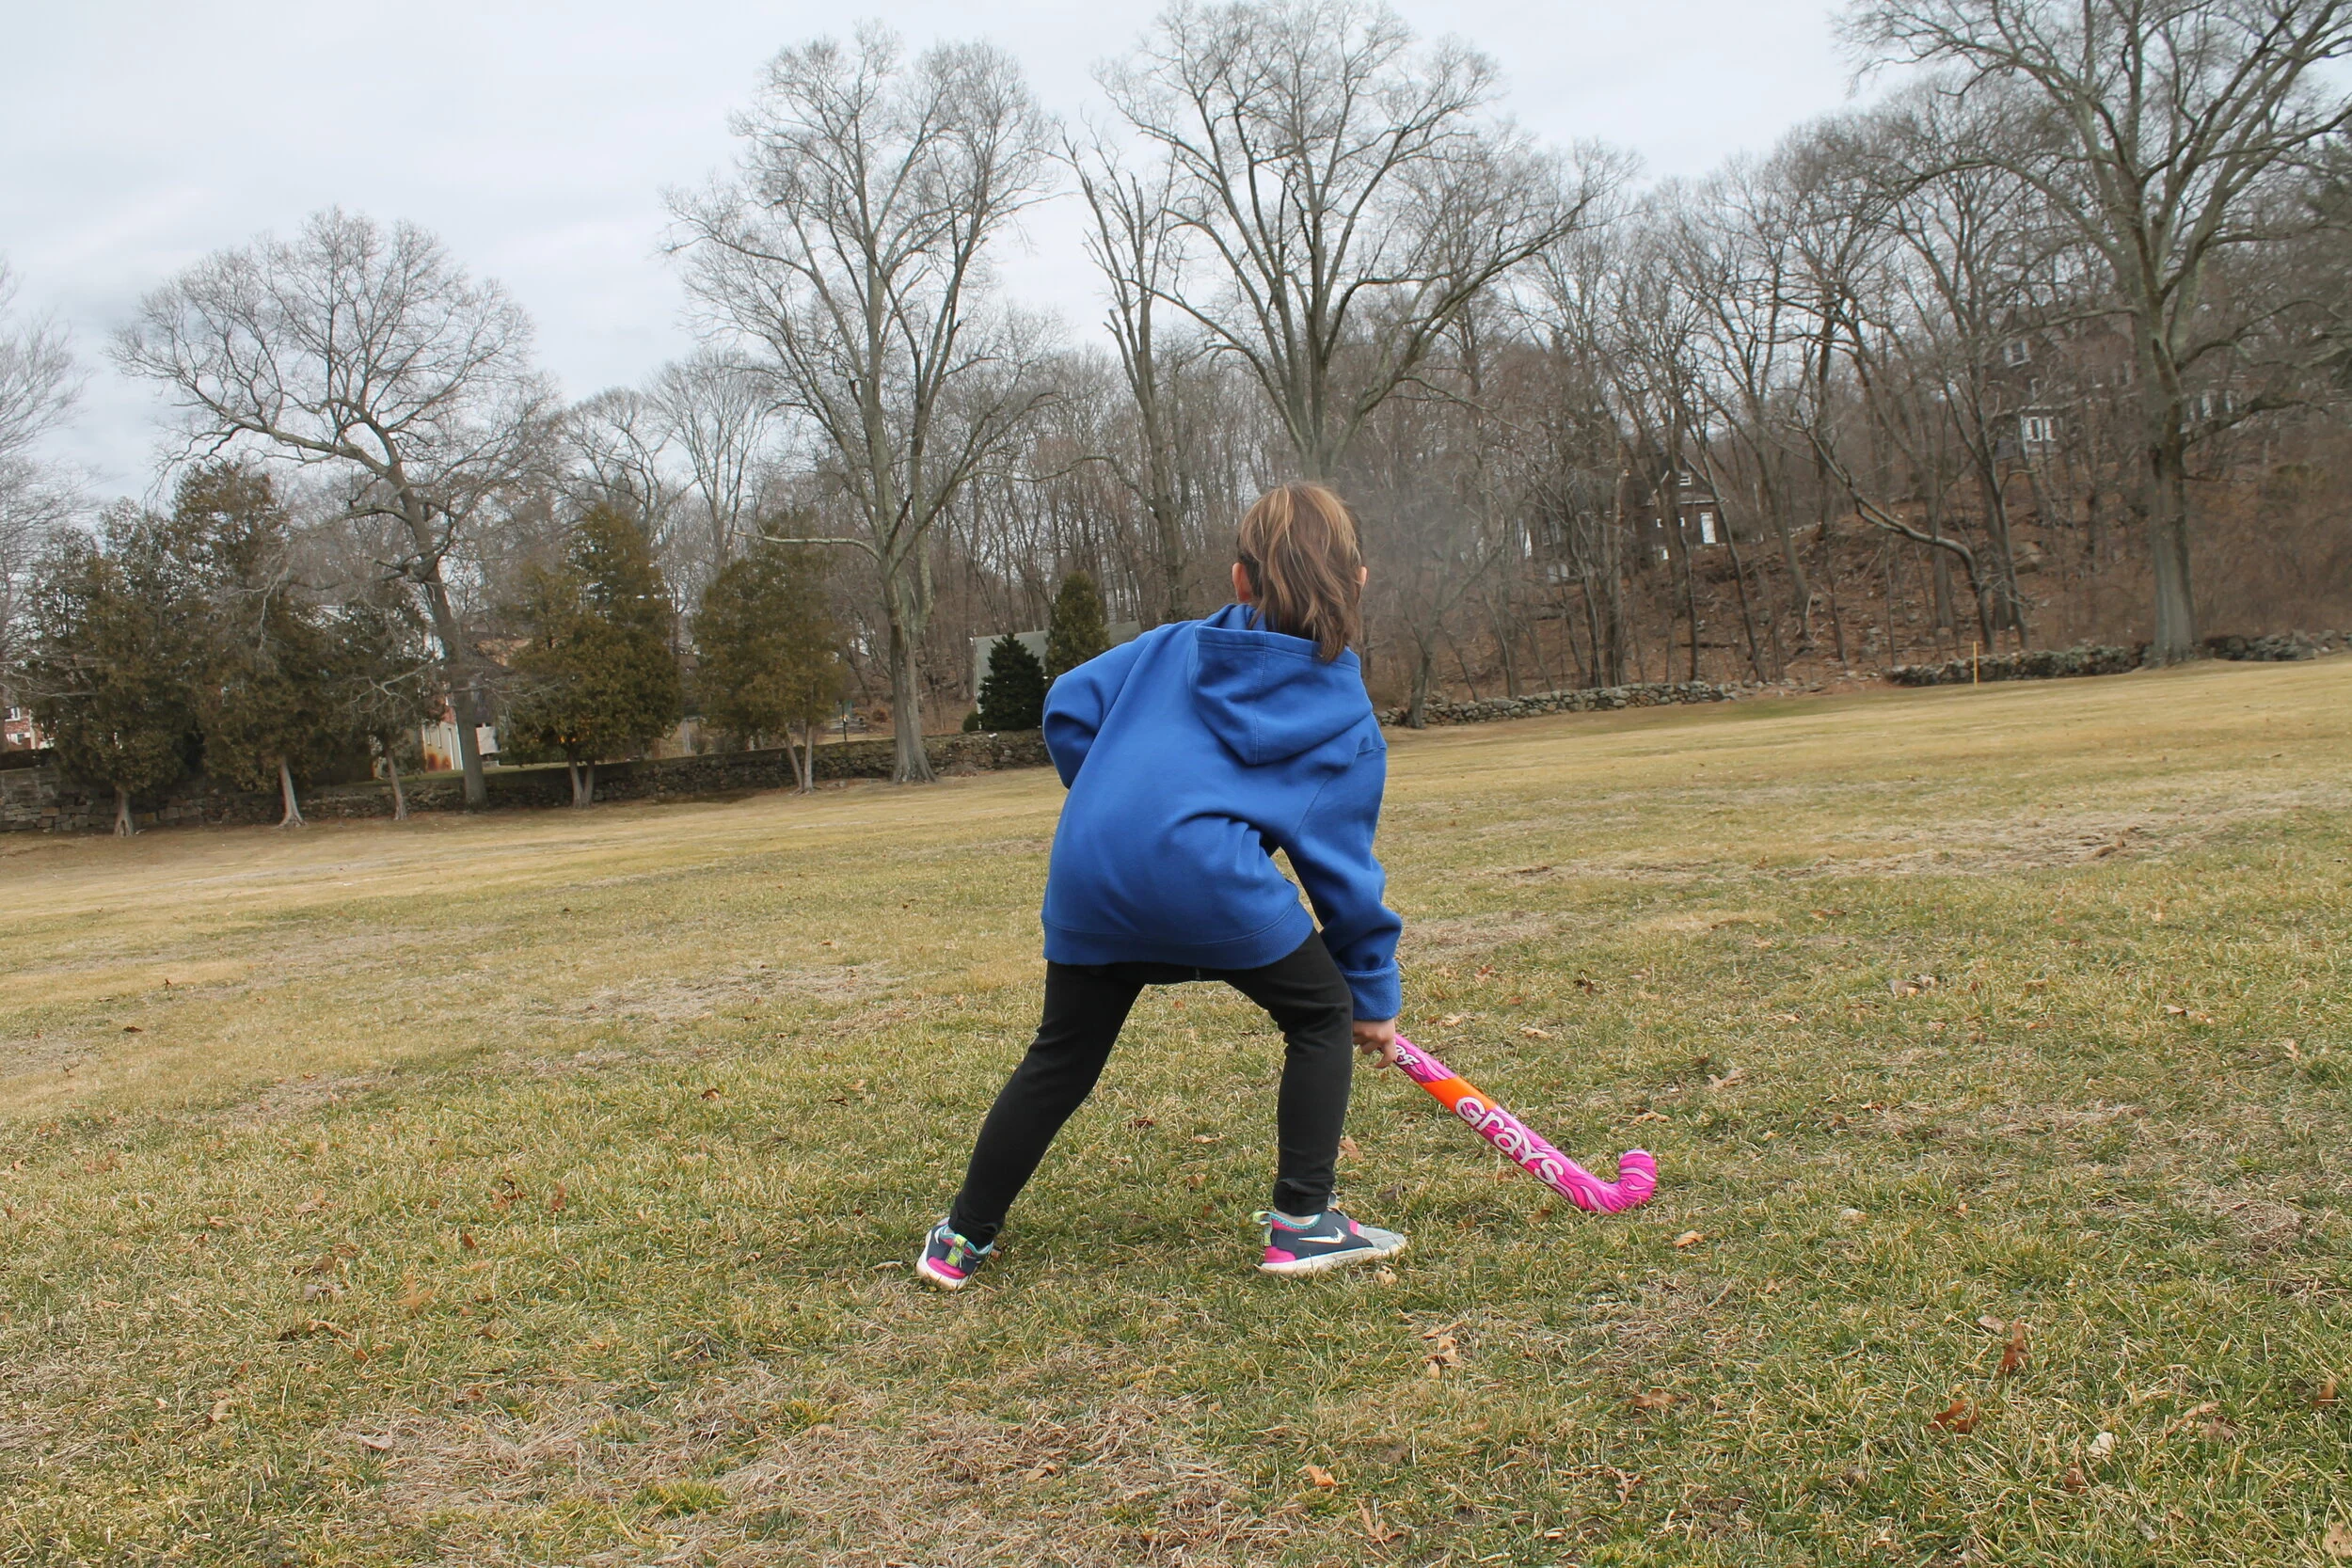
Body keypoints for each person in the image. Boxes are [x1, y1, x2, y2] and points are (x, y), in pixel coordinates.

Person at [917, 482, 1406, 1288]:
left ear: (1240, 580)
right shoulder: (1350, 726)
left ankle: (961, 1239)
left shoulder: (1170, 645)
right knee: (1320, 1012)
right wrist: (1371, 995)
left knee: (1063, 1053)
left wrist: (1112, 793)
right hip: (1208, 880)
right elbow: (1343, 877)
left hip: (1091, 869)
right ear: (1359, 581)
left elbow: (1068, 704)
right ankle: (1304, 1223)